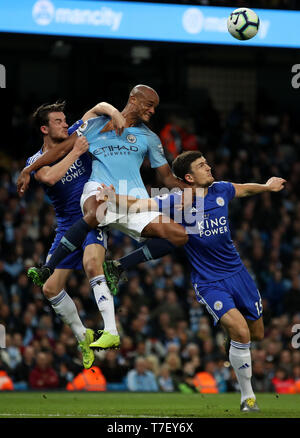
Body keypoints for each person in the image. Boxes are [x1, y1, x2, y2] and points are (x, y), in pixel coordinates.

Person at [98, 150, 286, 412]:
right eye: (201, 165)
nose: (208, 167)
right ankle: (248, 397)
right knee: (241, 333)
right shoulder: (178, 202)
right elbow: (142, 205)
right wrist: (112, 198)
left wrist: (266, 186)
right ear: (189, 177)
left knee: (256, 334)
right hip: (209, 282)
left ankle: (231, 342)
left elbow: (244, 189)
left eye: (206, 163)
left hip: (239, 275)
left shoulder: (221, 190)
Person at [17, 85, 189, 311]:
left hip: (134, 200)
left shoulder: (150, 138)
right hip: (103, 192)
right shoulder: (97, 125)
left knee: (180, 236)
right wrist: (28, 169)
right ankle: (49, 268)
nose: (153, 112)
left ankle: (118, 266)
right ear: (134, 100)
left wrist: (191, 188)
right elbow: (60, 151)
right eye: (149, 105)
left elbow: (166, 178)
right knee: (92, 230)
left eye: (154, 107)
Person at [23, 101, 126, 366]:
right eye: (58, 121)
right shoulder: (35, 161)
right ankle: (83, 335)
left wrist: (113, 112)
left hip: (91, 214)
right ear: (44, 128)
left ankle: (111, 330)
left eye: (65, 120)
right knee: (50, 288)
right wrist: (76, 151)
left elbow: (98, 108)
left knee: (92, 263)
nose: (66, 124)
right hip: (67, 225)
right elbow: (49, 178)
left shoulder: (77, 131)